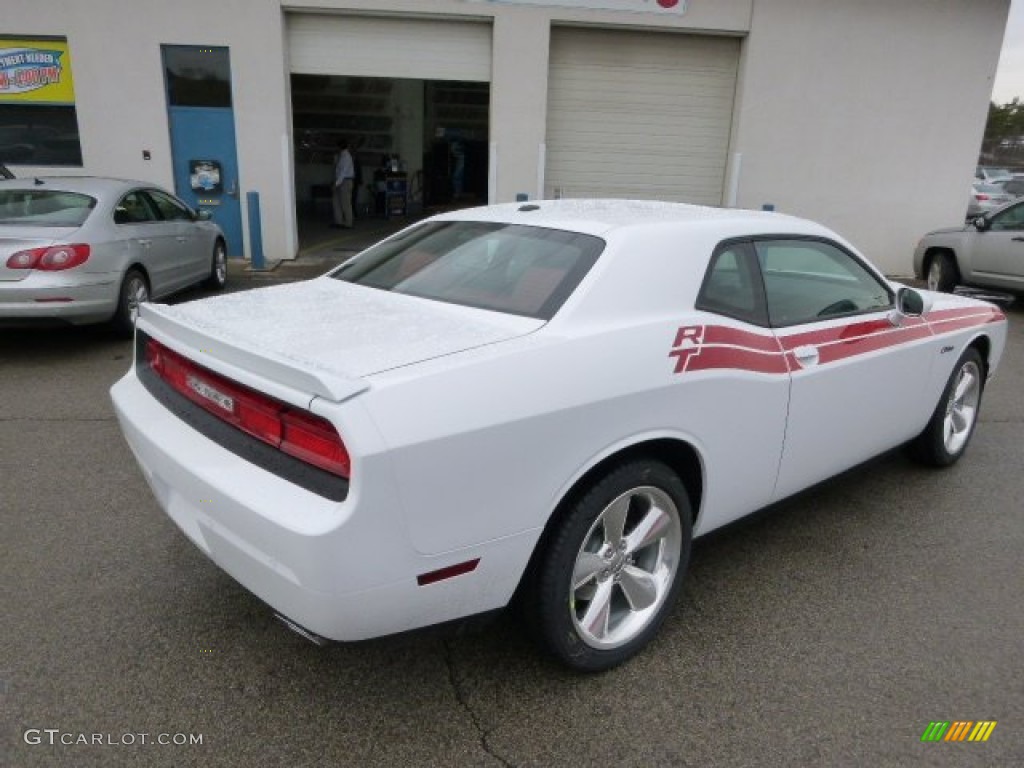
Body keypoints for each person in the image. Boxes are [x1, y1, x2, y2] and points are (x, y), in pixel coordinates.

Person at [332, 140, 355, 228]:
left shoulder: (346, 156)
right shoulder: (340, 156)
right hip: (340, 180)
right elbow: (337, 170)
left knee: (345, 203)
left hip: (345, 181)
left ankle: (348, 223)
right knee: (336, 201)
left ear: (339, 147)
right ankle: (339, 221)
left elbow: (343, 172)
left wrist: (336, 183)